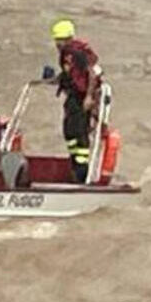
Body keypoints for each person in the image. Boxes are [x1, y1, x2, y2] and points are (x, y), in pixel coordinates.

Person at [49, 19, 103, 183]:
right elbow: (70, 74)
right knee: (69, 131)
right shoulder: (68, 53)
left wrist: (89, 97)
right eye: (56, 40)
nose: (57, 44)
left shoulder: (76, 53)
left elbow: (92, 73)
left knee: (78, 134)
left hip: (81, 98)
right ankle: (75, 165)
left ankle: (81, 172)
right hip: (74, 97)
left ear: (66, 39)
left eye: (59, 40)